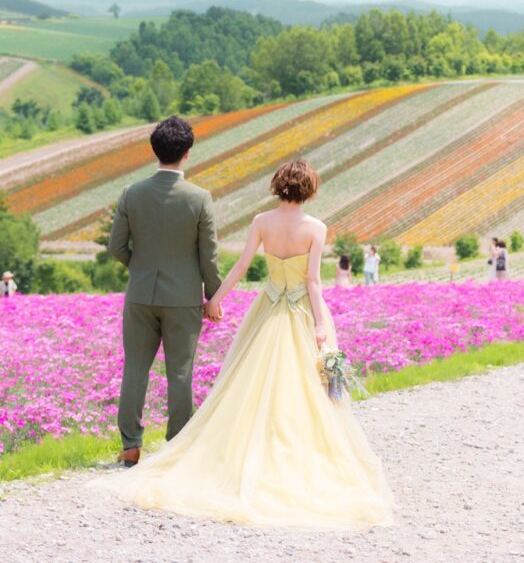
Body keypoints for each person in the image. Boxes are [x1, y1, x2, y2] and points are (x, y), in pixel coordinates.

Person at [102, 158, 393, 529]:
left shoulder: (261, 222)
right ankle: (290, 452)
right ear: (310, 190)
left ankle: (235, 449)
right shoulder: (316, 228)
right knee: (300, 387)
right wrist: (321, 325)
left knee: (252, 381)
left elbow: (240, 267)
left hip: (267, 309)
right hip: (301, 312)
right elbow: (313, 282)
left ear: (278, 186)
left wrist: (215, 300)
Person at [108, 115, 222, 468]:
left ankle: (130, 445)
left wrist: (140, 267)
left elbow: (116, 247)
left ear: (154, 150)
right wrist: (213, 297)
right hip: (183, 299)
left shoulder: (131, 193)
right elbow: (209, 256)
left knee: (135, 369)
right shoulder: (199, 198)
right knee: (181, 373)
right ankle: (177, 446)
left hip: (140, 295)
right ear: (188, 152)